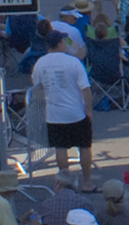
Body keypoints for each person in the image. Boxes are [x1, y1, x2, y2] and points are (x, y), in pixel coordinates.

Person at [32, 30, 97, 191]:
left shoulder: (40, 63)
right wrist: (88, 109)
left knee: (60, 149)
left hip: (54, 114)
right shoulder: (73, 62)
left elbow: (36, 87)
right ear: (60, 43)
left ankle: (65, 183)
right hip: (76, 112)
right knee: (84, 147)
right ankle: (86, 182)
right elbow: (85, 89)